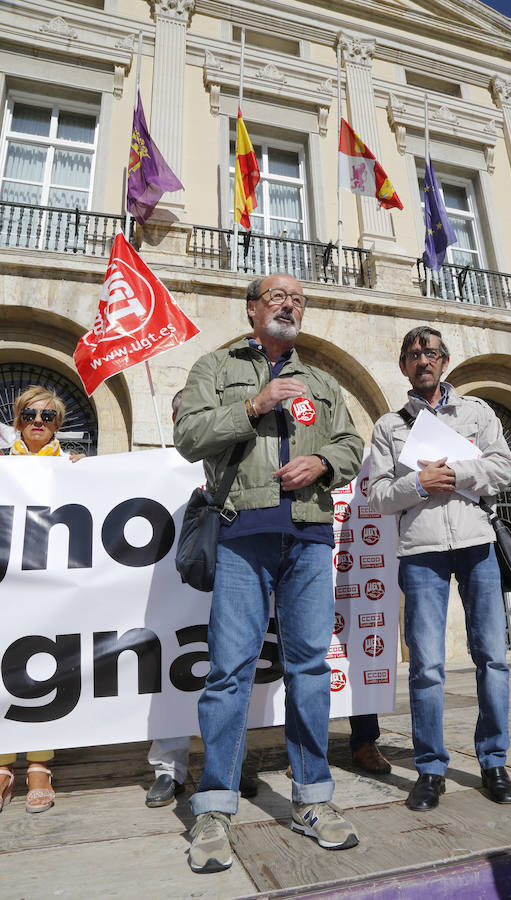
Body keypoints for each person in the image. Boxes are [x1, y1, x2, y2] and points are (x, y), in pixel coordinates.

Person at [174, 272, 364, 873]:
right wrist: (253, 405)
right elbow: (188, 436)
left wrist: (322, 461)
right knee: (229, 673)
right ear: (252, 309)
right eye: (278, 297)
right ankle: (214, 808)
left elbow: (352, 444)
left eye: (298, 299)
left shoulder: (323, 381)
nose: (290, 305)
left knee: (309, 669)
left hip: (309, 536)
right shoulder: (216, 366)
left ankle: (313, 799)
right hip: (242, 533)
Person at [368, 326, 511, 811]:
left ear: (444, 360)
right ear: (403, 366)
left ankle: (494, 762)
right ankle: (430, 769)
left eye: (430, 352)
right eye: (413, 354)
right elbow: (377, 496)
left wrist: (456, 473)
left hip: (477, 543)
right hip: (421, 551)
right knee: (427, 666)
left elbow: (505, 467)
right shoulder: (389, 426)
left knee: (492, 658)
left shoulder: (476, 412)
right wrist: (419, 483)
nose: (422, 360)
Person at [145, 391, 259, 807]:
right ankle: (168, 768)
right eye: (184, 414)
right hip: (171, 593)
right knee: (170, 677)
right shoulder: (158, 462)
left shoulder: (235, 454)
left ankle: (229, 764)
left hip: (228, 579)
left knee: (231, 675)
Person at [0, 385, 85, 814]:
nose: (38, 422)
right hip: (7, 583)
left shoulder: (72, 467)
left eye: (47, 416)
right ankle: (2, 764)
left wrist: (88, 474)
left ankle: (39, 765)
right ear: (17, 420)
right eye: (30, 414)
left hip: (50, 583)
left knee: (42, 665)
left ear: (58, 425)